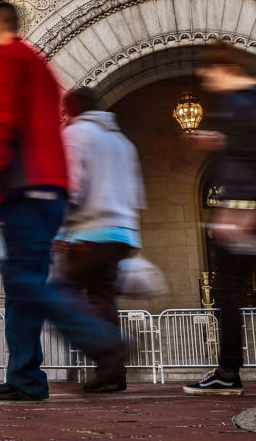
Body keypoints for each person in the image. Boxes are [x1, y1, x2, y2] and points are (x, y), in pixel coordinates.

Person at [0, 3, 126, 401]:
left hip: (25, 189)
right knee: (19, 288)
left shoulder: (5, 57)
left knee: (24, 282)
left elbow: (0, 122)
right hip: (48, 190)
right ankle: (24, 376)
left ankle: (101, 340)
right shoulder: (38, 64)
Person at [182, 42, 256, 396]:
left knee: (227, 289)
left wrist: (243, 207)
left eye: (208, 75)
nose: (207, 82)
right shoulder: (251, 102)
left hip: (247, 209)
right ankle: (227, 370)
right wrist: (219, 139)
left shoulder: (247, 101)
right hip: (252, 206)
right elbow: (250, 151)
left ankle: (228, 371)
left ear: (223, 67)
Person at [59, 87, 146, 334]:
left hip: (90, 233)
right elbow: (136, 193)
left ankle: (110, 348)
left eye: (65, 111)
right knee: (101, 296)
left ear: (73, 109)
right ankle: (112, 370)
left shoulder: (76, 134)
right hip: (122, 234)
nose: (63, 117)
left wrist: (60, 231)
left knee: (59, 294)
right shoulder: (121, 140)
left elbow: (73, 187)